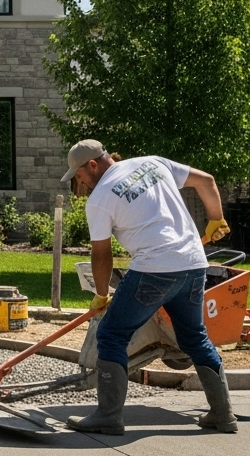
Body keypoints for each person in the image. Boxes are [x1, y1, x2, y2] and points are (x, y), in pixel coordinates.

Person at [61, 139, 235, 436]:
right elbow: (206, 181)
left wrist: (101, 295)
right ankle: (223, 414)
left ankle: (108, 417)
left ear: (92, 165)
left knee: (111, 334)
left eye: (80, 176)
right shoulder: (153, 162)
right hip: (194, 264)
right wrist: (216, 219)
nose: (82, 183)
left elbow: (101, 254)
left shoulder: (100, 198)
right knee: (194, 336)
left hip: (154, 269)